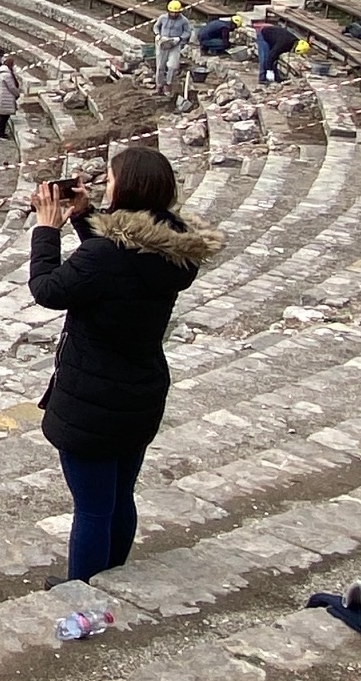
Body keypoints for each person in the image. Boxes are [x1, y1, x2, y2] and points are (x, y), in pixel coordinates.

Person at [29, 147, 224, 583]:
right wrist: (84, 217)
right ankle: (114, 576)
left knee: (93, 508)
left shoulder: (107, 260)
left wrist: (47, 230)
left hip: (92, 400)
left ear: (128, 188)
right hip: (140, 390)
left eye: (112, 179)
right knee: (120, 496)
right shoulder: (174, 253)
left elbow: (48, 289)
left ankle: (82, 590)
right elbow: (117, 267)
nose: (106, 184)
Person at [152, 0, 192, 97]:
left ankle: (168, 84)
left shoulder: (184, 21)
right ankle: (159, 85)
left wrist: (179, 38)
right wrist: (157, 35)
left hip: (175, 44)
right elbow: (156, 27)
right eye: (172, 12)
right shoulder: (162, 18)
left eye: (176, 12)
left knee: (172, 66)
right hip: (162, 43)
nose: (174, 14)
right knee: (160, 66)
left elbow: (188, 32)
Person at [0, 54, 20, 140]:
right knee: (4, 117)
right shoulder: (6, 75)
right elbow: (12, 87)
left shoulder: (1, 72)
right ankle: (0, 133)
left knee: (2, 116)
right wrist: (17, 94)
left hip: (2, 97)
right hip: (5, 98)